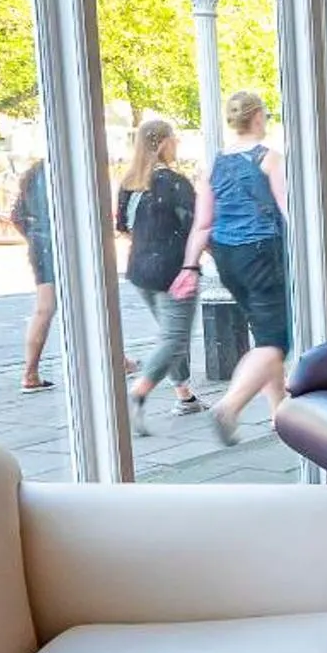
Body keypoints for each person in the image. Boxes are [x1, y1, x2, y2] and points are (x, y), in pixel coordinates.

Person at [172, 88, 289, 446]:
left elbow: (203, 223)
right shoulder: (269, 159)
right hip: (262, 252)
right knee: (275, 340)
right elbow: (288, 211)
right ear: (257, 118)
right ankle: (229, 406)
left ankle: (279, 412)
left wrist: (190, 265)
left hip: (226, 256)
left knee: (261, 331)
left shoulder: (215, 165)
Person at [115, 117, 201, 435]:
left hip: (140, 271)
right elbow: (198, 227)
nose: (177, 143)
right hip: (173, 271)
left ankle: (184, 395)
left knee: (168, 333)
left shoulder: (129, 182)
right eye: (174, 139)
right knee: (174, 338)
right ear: (163, 142)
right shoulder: (176, 184)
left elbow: (123, 227)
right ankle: (138, 393)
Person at [9, 158, 56, 392]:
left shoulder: (33, 174)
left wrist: (33, 236)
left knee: (44, 308)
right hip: (55, 244)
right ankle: (30, 373)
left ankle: (31, 372)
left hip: (39, 245)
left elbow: (16, 216)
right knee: (93, 300)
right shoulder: (61, 172)